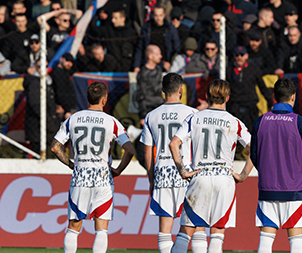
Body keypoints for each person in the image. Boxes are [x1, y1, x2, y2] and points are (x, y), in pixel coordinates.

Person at [169, 79, 254, 253]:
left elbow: (174, 143)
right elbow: (255, 148)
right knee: (217, 234)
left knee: (185, 232)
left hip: (201, 174)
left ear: (207, 96)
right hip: (224, 177)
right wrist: (243, 174)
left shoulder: (195, 117)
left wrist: (183, 171)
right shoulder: (234, 121)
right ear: (227, 98)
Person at [50, 82, 135, 253]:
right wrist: (118, 170)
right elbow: (129, 150)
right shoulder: (112, 121)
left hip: (81, 175)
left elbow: (55, 147)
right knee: (101, 228)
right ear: (104, 99)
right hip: (102, 176)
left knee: (73, 227)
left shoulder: (73, 119)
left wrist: (71, 164)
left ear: (88, 98)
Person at [250, 77, 302, 253]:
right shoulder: (301, 122)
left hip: (267, 188)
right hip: (295, 189)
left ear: (274, 96)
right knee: (296, 241)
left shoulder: (260, 121)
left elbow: (254, 155)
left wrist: (267, 173)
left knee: (265, 241)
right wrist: (300, 174)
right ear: (293, 97)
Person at [142, 73, 203, 253]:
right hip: (188, 173)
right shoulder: (193, 113)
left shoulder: (151, 116)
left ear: (163, 90)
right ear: (180, 90)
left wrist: (151, 179)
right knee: (197, 226)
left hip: (163, 173)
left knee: (165, 229)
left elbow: (147, 152)